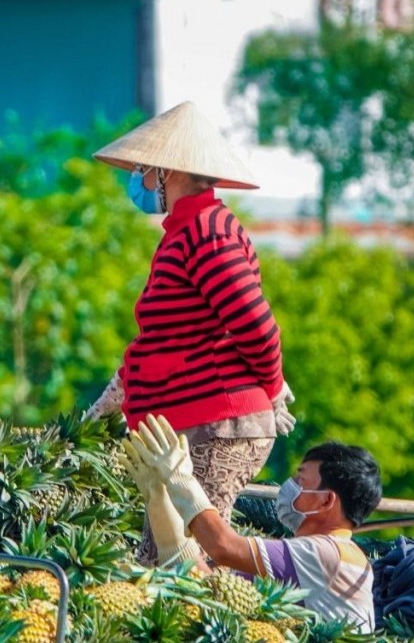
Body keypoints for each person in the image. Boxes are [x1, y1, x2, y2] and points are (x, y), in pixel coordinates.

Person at [84, 101, 295, 565]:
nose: (137, 180)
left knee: (186, 563)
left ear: (166, 172)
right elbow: (165, 339)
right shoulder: (182, 233)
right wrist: (115, 396)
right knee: (156, 557)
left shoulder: (207, 230)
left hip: (219, 421)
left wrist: (274, 387)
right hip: (187, 424)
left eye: (142, 169)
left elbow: (255, 325)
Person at [122, 414, 381, 633]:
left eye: (301, 482)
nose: (289, 487)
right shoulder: (309, 556)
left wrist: (180, 478)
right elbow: (208, 587)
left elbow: (222, 546)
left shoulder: (330, 554)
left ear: (326, 501)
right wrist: (158, 499)